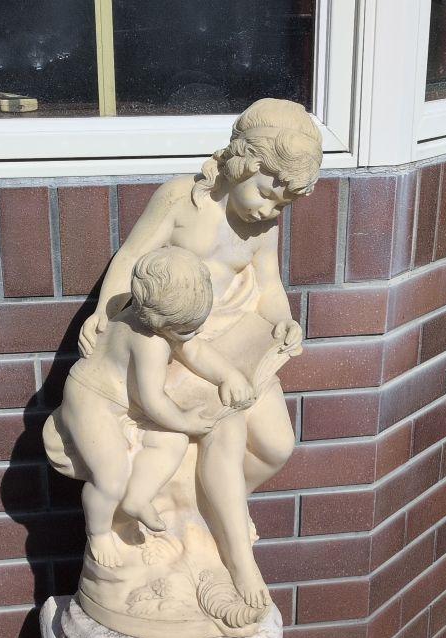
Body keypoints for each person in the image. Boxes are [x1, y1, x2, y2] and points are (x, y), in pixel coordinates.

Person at [77, 98, 322, 607]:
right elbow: (130, 257)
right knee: (224, 433)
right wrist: (102, 313)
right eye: (266, 194)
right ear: (242, 163)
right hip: (177, 349)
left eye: (282, 206)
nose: (269, 211)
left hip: (238, 342)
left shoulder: (263, 226)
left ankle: (216, 512)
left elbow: (269, 287)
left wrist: (282, 321)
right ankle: (237, 556)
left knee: (277, 446)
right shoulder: (180, 201)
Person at [44, 246, 252, 570]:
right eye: (187, 329)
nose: (195, 333)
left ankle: (138, 498)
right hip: (91, 400)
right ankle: (98, 532)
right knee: (110, 476)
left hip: (124, 399)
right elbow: (153, 401)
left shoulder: (158, 322)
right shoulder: (151, 343)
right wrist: (186, 421)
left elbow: (194, 350)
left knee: (173, 440)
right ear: (158, 321)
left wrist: (229, 375)